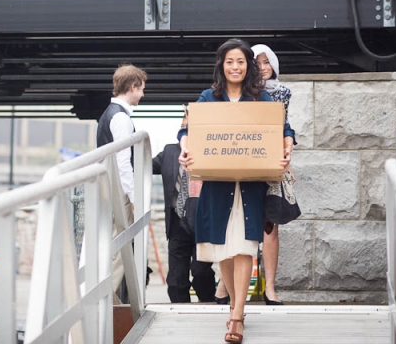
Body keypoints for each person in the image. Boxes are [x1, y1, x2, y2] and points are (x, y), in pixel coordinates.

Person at [178, 39, 294, 343]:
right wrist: (185, 149)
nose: (235, 67)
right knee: (224, 253)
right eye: (230, 61)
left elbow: (284, 128)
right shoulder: (207, 98)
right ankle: (233, 303)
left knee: (244, 247)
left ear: (249, 66)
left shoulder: (262, 98)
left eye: (241, 62)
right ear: (222, 65)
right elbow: (187, 130)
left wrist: (286, 145)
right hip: (217, 187)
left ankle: (237, 315)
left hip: (250, 186)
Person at [96, 63, 147, 304]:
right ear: (133, 86)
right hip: (118, 192)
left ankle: (109, 300)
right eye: (142, 88)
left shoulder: (109, 114)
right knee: (119, 248)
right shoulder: (120, 118)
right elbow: (124, 162)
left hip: (109, 188)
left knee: (112, 245)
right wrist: (135, 197)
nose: (143, 94)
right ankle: (106, 300)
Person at [152, 112, 216, 303]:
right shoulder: (170, 151)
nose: (183, 129)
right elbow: (143, 165)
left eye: (187, 126)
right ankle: (179, 310)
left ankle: (210, 303)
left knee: (200, 270)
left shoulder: (211, 151)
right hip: (177, 221)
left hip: (203, 220)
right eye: (182, 125)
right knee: (176, 278)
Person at [252, 44, 296, 306]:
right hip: (245, 162)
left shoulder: (282, 93)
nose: (263, 68)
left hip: (272, 164)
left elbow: (283, 127)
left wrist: (287, 156)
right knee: (243, 225)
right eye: (257, 64)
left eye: (266, 62)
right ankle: (224, 286)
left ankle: (270, 289)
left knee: (270, 226)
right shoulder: (241, 93)